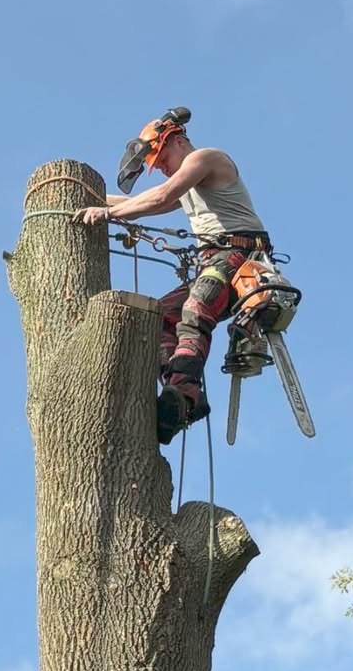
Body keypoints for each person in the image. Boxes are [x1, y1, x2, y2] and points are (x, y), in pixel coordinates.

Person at [76, 108, 273, 444]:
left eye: (162, 158)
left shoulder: (207, 159)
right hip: (213, 263)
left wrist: (106, 214)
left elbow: (161, 196)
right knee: (158, 318)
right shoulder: (189, 184)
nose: (162, 168)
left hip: (239, 256)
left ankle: (184, 386)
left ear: (178, 141)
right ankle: (180, 398)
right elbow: (143, 200)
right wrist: (84, 196)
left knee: (195, 310)